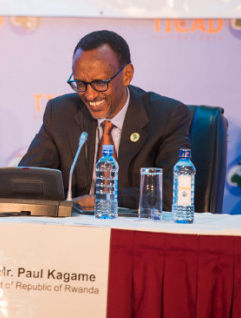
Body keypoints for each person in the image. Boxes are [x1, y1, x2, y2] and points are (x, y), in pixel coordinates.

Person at [19, 30, 191, 210]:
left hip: (131, 229)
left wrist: (103, 200)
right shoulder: (61, 113)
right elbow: (26, 181)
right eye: (80, 84)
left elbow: (176, 191)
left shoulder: (167, 116)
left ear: (127, 75)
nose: (90, 95)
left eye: (100, 83)